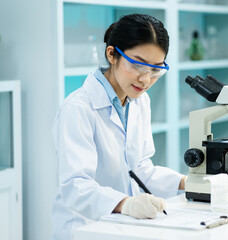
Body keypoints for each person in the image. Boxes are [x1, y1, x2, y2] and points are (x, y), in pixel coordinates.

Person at [51, 14, 186, 240]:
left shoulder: (140, 101)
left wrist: (188, 183)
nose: (145, 79)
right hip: (84, 228)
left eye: (155, 70)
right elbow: (76, 185)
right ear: (112, 54)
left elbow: (141, 168)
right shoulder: (78, 108)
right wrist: (126, 204)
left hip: (122, 228)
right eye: (136, 64)